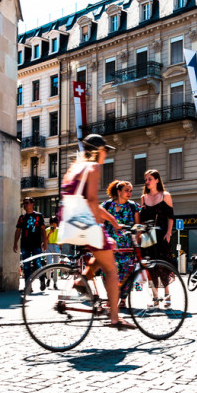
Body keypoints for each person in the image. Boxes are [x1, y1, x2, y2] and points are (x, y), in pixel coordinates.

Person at [59, 134, 135, 330]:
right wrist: (99, 226)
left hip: (69, 220)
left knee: (104, 251)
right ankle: (115, 318)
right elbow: (92, 200)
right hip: (84, 222)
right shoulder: (93, 167)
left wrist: (113, 222)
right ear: (98, 151)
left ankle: (81, 279)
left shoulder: (75, 167)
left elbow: (83, 199)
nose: (105, 154)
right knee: (111, 268)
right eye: (105, 150)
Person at [140, 169, 176, 308]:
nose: (147, 182)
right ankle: (155, 297)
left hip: (161, 236)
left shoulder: (165, 195)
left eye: (149, 179)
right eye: (146, 179)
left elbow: (170, 216)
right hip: (148, 236)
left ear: (156, 180)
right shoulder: (143, 197)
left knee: (163, 266)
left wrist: (169, 233)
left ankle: (167, 295)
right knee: (151, 268)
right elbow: (142, 219)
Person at [102, 180, 140, 302]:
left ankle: (123, 299)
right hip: (110, 245)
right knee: (106, 272)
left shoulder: (133, 206)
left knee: (126, 273)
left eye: (130, 191)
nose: (129, 193)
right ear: (118, 192)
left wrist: (137, 243)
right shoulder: (107, 205)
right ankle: (111, 297)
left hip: (127, 246)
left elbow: (137, 226)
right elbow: (101, 223)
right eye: (126, 190)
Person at [14, 197, 49, 290]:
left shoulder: (39, 216)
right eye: (24, 203)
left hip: (36, 244)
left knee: (37, 263)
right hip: (25, 244)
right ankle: (28, 286)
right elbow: (18, 230)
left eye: (26, 203)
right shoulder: (22, 217)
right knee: (26, 266)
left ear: (32, 204)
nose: (25, 205)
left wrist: (45, 242)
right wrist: (15, 243)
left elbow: (43, 230)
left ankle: (42, 280)